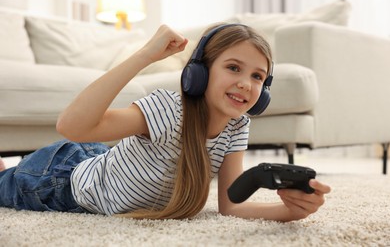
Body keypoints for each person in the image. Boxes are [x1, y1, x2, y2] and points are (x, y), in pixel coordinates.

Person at [0, 23, 331, 221]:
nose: (246, 83)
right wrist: (145, 54)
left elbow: (230, 207)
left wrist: (293, 210)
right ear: (199, 73)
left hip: (103, 160)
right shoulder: (168, 110)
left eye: (257, 76)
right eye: (233, 68)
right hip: (59, 180)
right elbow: (71, 126)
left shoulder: (237, 126)